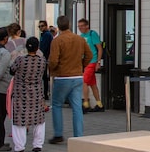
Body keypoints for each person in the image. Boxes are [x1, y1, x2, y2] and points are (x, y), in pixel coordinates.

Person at [47, 15, 92, 143]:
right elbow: (89, 55)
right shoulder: (79, 39)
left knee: (56, 104)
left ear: (58, 25)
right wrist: (82, 65)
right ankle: (78, 135)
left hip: (63, 77)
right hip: (77, 76)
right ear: (69, 24)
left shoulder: (57, 40)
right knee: (77, 107)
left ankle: (58, 134)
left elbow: (54, 60)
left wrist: (53, 69)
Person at [8, 37, 48, 152]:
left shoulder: (20, 60)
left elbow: (12, 70)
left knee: (19, 120)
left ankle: (19, 147)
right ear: (37, 48)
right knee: (38, 119)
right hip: (37, 93)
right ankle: (37, 145)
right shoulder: (42, 61)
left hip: (21, 94)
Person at [77, 18, 104, 112]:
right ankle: (99, 104)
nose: (80, 28)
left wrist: (98, 62)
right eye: (79, 26)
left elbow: (99, 48)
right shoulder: (81, 36)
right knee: (92, 84)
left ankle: (86, 103)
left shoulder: (92, 34)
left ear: (87, 26)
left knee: (84, 81)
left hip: (92, 61)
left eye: (81, 26)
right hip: (85, 62)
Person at [38, 20, 53, 100]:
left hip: (45, 58)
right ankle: (45, 93)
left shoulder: (46, 35)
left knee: (44, 76)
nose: (40, 28)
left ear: (46, 26)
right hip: (45, 57)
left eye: (42, 26)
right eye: (39, 26)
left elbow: (44, 47)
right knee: (44, 77)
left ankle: (45, 93)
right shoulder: (44, 35)